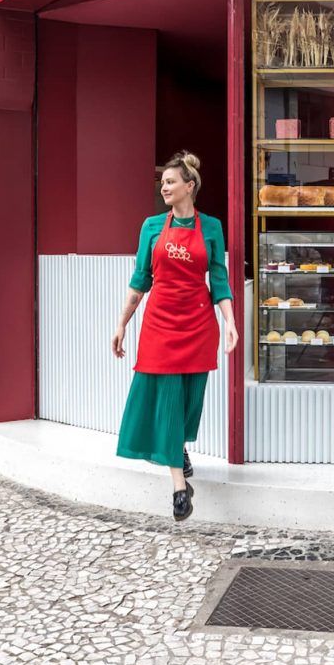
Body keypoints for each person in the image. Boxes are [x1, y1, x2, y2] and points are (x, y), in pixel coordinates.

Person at [113, 151, 238, 522]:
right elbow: (139, 282)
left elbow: (219, 279)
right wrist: (121, 323)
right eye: (162, 183)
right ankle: (179, 489)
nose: (164, 187)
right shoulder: (151, 226)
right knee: (166, 399)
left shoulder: (211, 227)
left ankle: (179, 446)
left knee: (189, 399)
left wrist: (229, 321)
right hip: (160, 324)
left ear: (190, 186)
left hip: (198, 324)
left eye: (170, 182)